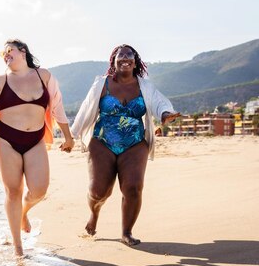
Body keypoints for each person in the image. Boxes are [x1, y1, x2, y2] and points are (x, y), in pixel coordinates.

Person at [71, 44, 180, 246]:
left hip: (135, 143)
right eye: (120, 56)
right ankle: (94, 214)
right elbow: (85, 109)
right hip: (103, 141)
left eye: (129, 56)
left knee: (133, 188)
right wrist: (72, 135)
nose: (125, 59)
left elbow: (159, 103)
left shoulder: (145, 86)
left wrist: (165, 114)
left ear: (136, 62)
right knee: (99, 191)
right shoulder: (101, 84)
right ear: (113, 61)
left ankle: (126, 232)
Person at [0, 39, 74, 256]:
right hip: (6, 138)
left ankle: (24, 212)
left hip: (35, 138)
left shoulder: (43, 76)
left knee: (39, 189)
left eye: (9, 51)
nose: (6, 55)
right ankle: (18, 247)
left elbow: (57, 106)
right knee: (13, 190)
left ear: (23, 51)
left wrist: (68, 136)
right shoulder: (0, 81)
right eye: (3, 54)